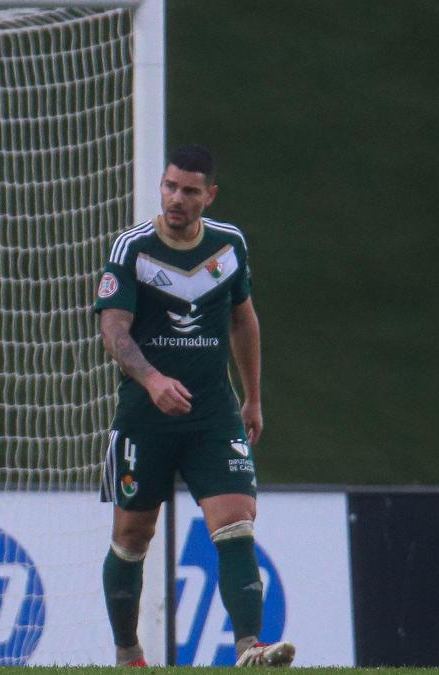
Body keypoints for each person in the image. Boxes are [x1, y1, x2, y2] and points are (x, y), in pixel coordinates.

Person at [94, 145, 294, 667]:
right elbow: (113, 330)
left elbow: (242, 318)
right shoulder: (132, 248)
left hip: (213, 415)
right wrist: (153, 378)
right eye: (169, 186)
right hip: (144, 417)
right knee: (133, 535)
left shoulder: (229, 246)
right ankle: (128, 652)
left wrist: (252, 397)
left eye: (189, 190)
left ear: (210, 195)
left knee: (236, 521)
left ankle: (251, 647)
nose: (176, 198)